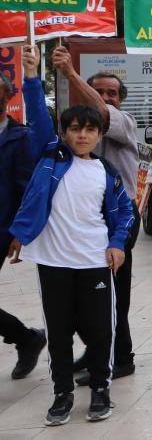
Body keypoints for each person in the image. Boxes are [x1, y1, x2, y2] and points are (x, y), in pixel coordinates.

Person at [10, 45, 135, 425]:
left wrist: (116, 245)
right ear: (63, 133)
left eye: (90, 130)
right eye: (75, 129)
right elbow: (37, 118)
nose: (82, 136)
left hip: (95, 263)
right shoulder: (50, 158)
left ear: (99, 135)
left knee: (101, 331)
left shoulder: (107, 172)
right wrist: (33, 76)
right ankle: (62, 394)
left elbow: (126, 212)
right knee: (60, 334)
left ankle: (101, 389)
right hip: (53, 263)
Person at [52, 44, 141, 385]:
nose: (107, 97)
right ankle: (95, 352)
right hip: (86, 222)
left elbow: (101, 113)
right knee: (85, 292)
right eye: (100, 91)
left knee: (113, 293)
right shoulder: (78, 132)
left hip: (119, 218)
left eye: (113, 93)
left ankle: (121, 358)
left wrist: (71, 73)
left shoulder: (123, 122)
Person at [0, 61, 47, 381]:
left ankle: (26, 338)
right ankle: (27, 338)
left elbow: (26, 189)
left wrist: (20, 233)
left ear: (7, 96)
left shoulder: (20, 137)